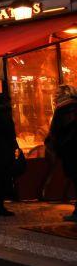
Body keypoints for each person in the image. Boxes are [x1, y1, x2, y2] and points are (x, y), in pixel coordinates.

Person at [47, 85, 77, 221]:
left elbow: (56, 131)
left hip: (71, 150)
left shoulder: (63, 109)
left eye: (56, 94)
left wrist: (52, 145)